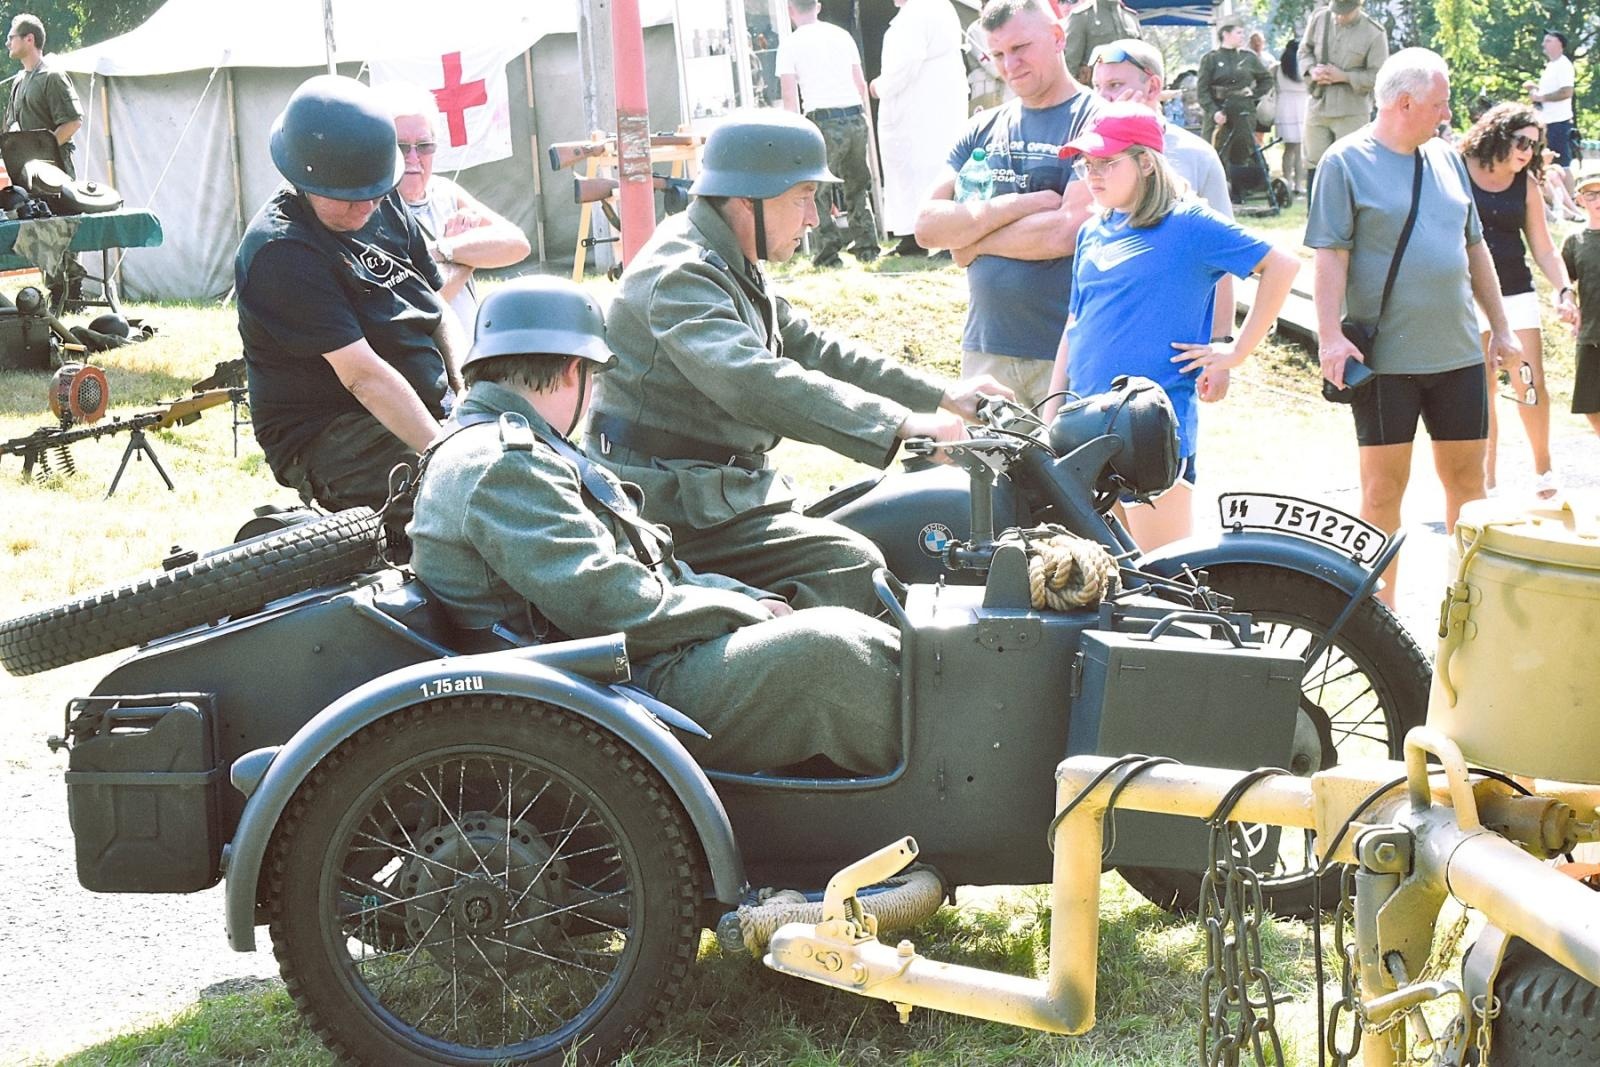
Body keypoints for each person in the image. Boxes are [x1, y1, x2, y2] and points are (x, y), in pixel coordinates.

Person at [409, 277, 900, 776]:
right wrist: (740, 611)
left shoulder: (508, 446)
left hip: (603, 676)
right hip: (603, 694)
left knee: (846, 635)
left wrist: (746, 598)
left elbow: (647, 567)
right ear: (575, 369)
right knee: (832, 655)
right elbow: (602, 600)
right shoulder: (503, 463)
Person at [585, 109, 1009, 617]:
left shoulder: (725, 254)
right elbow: (754, 381)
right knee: (851, 566)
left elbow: (813, 347)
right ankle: (758, 654)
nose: (814, 218)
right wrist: (899, 424)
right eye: (802, 197)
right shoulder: (681, 274)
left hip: (712, 492)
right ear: (748, 199)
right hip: (668, 505)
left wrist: (942, 395)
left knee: (877, 519)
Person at [1306, 48, 1521, 607]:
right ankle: (1381, 625)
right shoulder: (1344, 162)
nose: (1447, 114)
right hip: (1385, 363)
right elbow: (1329, 256)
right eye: (1439, 103)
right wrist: (1329, 337)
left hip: (1458, 355)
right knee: (1382, 492)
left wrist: (1502, 329)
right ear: (1404, 103)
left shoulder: (1447, 158)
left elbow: (1475, 247)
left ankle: (1471, 615)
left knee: (1470, 488)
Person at [1045, 102, 1298, 548]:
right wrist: (1051, 416)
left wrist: (1236, 351)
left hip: (1150, 429)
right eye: (1086, 164)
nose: (1092, 174)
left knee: (1165, 575)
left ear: (1146, 162)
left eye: (1106, 162)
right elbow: (1075, 323)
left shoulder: (1188, 223)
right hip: (1085, 426)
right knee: (1108, 578)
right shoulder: (1093, 230)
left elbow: (1281, 265)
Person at [236, 75, 464, 522]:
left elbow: (437, 308)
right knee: (453, 504)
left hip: (424, 406)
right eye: (349, 199)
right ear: (304, 178)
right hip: (332, 430)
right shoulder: (281, 252)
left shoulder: (378, 193)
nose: (367, 208)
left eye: (375, 194)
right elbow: (364, 377)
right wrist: (450, 457)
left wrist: (468, 387)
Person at [914, 0, 1102, 407]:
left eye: (1020, 48)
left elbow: (1067, 231)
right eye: (997, 54)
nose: (1009, 65)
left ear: (1057, 37)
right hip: (987, 349)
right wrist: (1021, 205)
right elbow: (927, 227)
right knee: (987, 453)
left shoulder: (1096, 121)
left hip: (1068, 350)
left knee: (1071, 453)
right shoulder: (981, 128)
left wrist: (972, 241)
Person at [1089, 38, 1237, 356]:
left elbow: (1224, 261)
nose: (1103, 98)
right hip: (1105, 338)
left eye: (1114, 85)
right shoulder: (1086, 153)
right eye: (1097, 87)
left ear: (1153, 87)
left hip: (1175, 345)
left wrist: (1220, 343)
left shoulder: (1196, 155)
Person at [1459, 103, 1577, 498]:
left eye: (1534, 145)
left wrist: (1563, 289)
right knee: (1483, 388)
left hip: (1515, 290)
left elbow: (1543, 248)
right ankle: (1486, 481)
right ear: (1497, 134)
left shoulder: (1525, 183)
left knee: (1528, 380)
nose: (1528, 151)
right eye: (1521, 142)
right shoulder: (1459, 170)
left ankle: (1544, 471)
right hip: (1466, 294)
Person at [380, 83, 530, 336]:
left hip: (472, 349)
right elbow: (426, 305)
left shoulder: (444, 191)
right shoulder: (375, 210)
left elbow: (518, 244)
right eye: (402, 146)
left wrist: (444, 249)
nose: (413, 158)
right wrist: (469, 253)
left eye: (424, 145)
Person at [776, 0, 878, 266]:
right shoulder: (841, 35)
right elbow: (860, 84)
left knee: (818, 189)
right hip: (854, 115)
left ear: (790, 10)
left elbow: (790, 96)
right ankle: (867, 246)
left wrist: (794, 132)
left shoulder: (790, 44)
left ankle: (829, 252)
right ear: (818, 6)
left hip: (822, 120)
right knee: (857, 184)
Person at [871, 0, 968, 258]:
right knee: (915, 174)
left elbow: (903, 66)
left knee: (923, 172)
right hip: (931, 106)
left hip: (920, 108)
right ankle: (913, 237)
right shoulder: (938, 7)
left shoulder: (917, 13)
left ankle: (942, 238)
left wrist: (879, 87)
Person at [1298, 0, 1387, 196]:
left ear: (1358, 6)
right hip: (1318, 104)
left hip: (1351, 111)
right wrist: (1312, 70)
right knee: (1314, 164)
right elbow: (1304, 51)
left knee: (1351, 166)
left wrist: (1344, 77)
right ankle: (1314, 213)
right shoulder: (1320, 18)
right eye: (1336, 10)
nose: (1339, 16)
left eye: (1345, 12)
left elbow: (1379, 76)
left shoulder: (1374, 33)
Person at [3, 14, 82, 177]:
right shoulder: (19, 80)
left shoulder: (52, 76)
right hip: (27, 174)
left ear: (29, 39)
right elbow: (11, 125)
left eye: (11, 37)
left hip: (56, 177)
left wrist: (40, 153)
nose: (7, 43)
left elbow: (73, 122)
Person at [1562, 172, 1600, 440]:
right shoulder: (1575, 241)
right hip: (1591, 334)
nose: (1598, 200)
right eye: (1591, 194)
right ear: (1579, 200)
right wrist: (1568, 305)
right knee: (1590, 404)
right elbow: (1563, 284)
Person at [1196, 20, 1271, 151]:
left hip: (1243, 112)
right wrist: (1214, 112)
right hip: (1219, 112)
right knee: (1215, 152)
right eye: (1238, 32)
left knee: (1243, 153)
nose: (1242, 36)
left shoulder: (1248, 58)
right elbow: (1202, 91)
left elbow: (1267, 79)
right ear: (1226, 34)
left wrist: (1254, 93)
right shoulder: (1211, 59)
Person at [1526, 31, 1577, 202]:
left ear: (1559, 44)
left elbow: (1566, 92)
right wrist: (1534, 90)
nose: (1543, 44)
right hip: (1548, 121)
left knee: (1562, 163)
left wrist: (1541, 98)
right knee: (1548, 162)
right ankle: (1556, 200)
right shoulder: (1551, 66)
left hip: (1559, 122)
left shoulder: (1564, 65)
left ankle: (1571, 199)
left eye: (1548, 41)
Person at [1059, 0, 1141, 84]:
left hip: (1131, 87)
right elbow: (1069, 64)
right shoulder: (1082, 16)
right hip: (1096, 88)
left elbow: (1142, 59)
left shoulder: (1130, 16)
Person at [1276, 39, 1309, 196]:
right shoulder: (1303, 67)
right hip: (1302, 106)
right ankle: (1298, 184)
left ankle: (1287, 181)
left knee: (1288, 149)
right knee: (1300, 149)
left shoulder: (1277, 68)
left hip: (1285, 107)